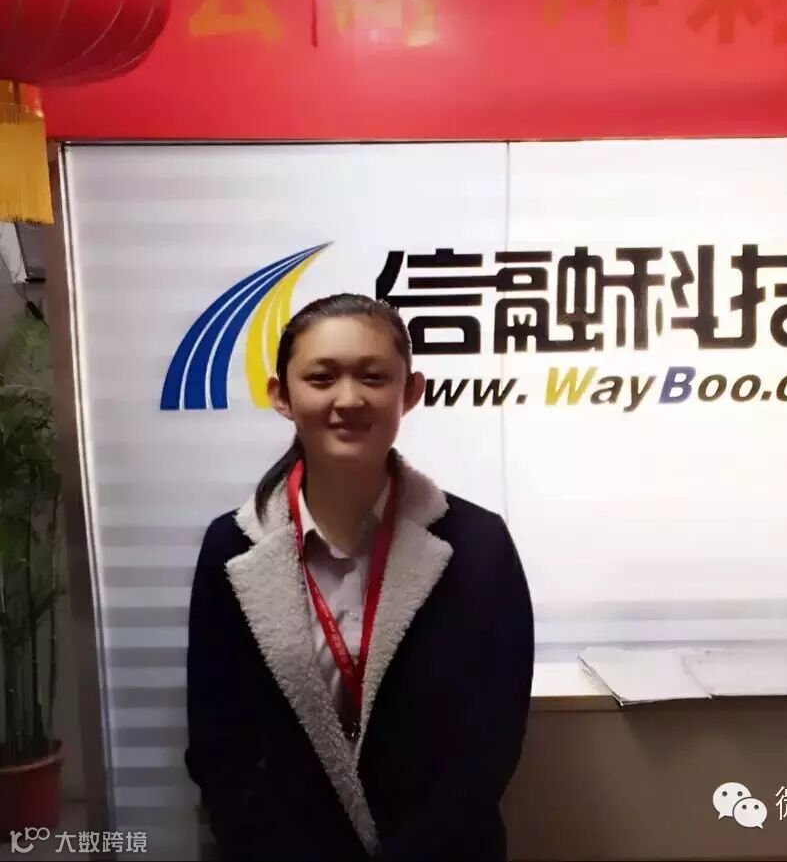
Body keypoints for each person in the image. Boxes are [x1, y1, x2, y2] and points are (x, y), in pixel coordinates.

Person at [185, 294, 534, 862]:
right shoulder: (232, 547)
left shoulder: (478, 545)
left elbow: (490, 742)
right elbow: (219, 747)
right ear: (281, 395)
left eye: (374, 377)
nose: (348, 399)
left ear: (410, 392)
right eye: (321, 378)